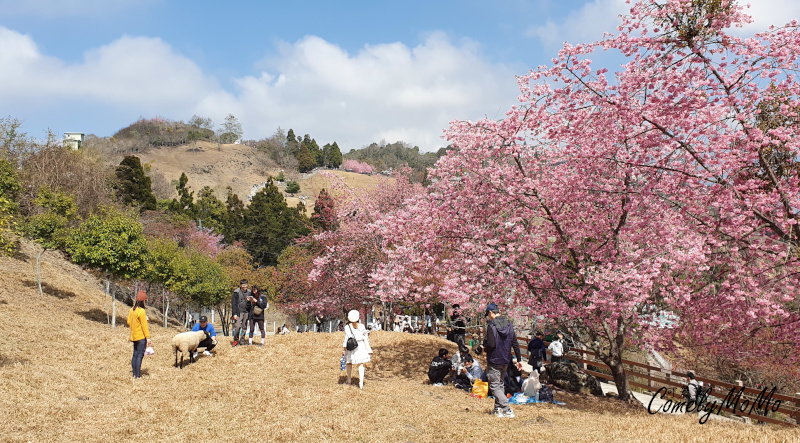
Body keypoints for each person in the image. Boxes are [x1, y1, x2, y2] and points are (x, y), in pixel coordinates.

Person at [477, 302, 522, 418]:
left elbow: (491, 344)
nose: (488, 316)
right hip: (506, 359)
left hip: (494, 359)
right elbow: (515, 343)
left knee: (494, 386)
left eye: (488, 314)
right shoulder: (509, 324)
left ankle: (507, 409)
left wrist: (484, 349)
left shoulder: (491, 326)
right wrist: (519, 359)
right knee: (500, 384)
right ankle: (498, 409)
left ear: (491, 312)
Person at [343, 309, 373, 389]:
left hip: (351, 346)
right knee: (361, 364)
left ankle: (349, 380)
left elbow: (346, 338)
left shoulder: (347, 327)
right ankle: (361, 383)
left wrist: (344, 348)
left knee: (349, 363)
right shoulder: (362, 326)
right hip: (360, 346)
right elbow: (365, 336)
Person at [127, 290, 151, 379]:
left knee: (135, 354)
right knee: (140, 356)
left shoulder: (132, 310)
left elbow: (128, 322)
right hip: (141, 337)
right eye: (145, 301)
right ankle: (137, 376)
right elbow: (144, 326)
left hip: (134, 336)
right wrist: (148, 338)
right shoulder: (141, 311)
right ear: (143, 301)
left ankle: (134, 373)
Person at [231, 279, 251, 346]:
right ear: (241, 285)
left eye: (246, 285)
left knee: (244, 327)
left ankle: (242, 341)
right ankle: (236, 340)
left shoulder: (249, 292)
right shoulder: (236, 292)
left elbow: (251, 303)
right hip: (239, 312)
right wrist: (234, 314)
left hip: (246, 312)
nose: (245, 286)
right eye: (243, 285)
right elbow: (234, 304)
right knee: (237, 326)